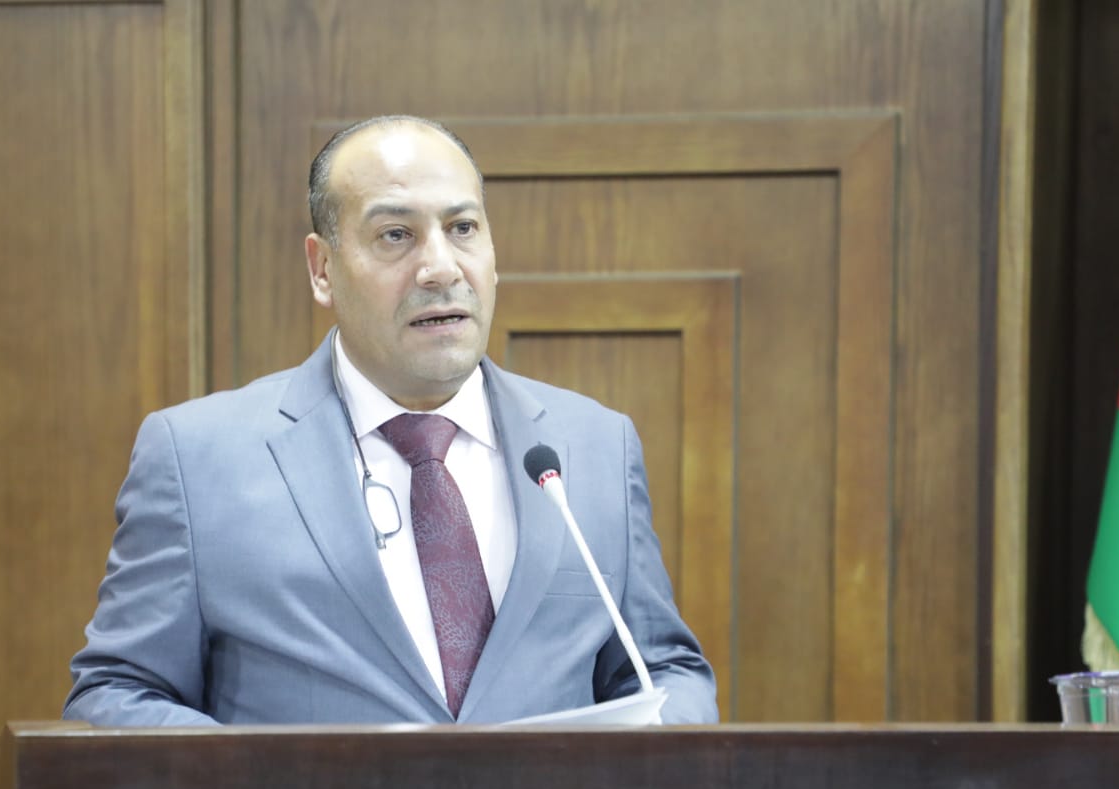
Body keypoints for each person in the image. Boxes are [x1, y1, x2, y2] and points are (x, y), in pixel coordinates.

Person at [64, 115, 716, 727]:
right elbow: (116, 693)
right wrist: (265, 779)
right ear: (322, 268)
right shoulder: (197, 458)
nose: (441, 268)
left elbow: (662, 670)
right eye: (395, 235)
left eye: (463, 228)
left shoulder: (592, 445)